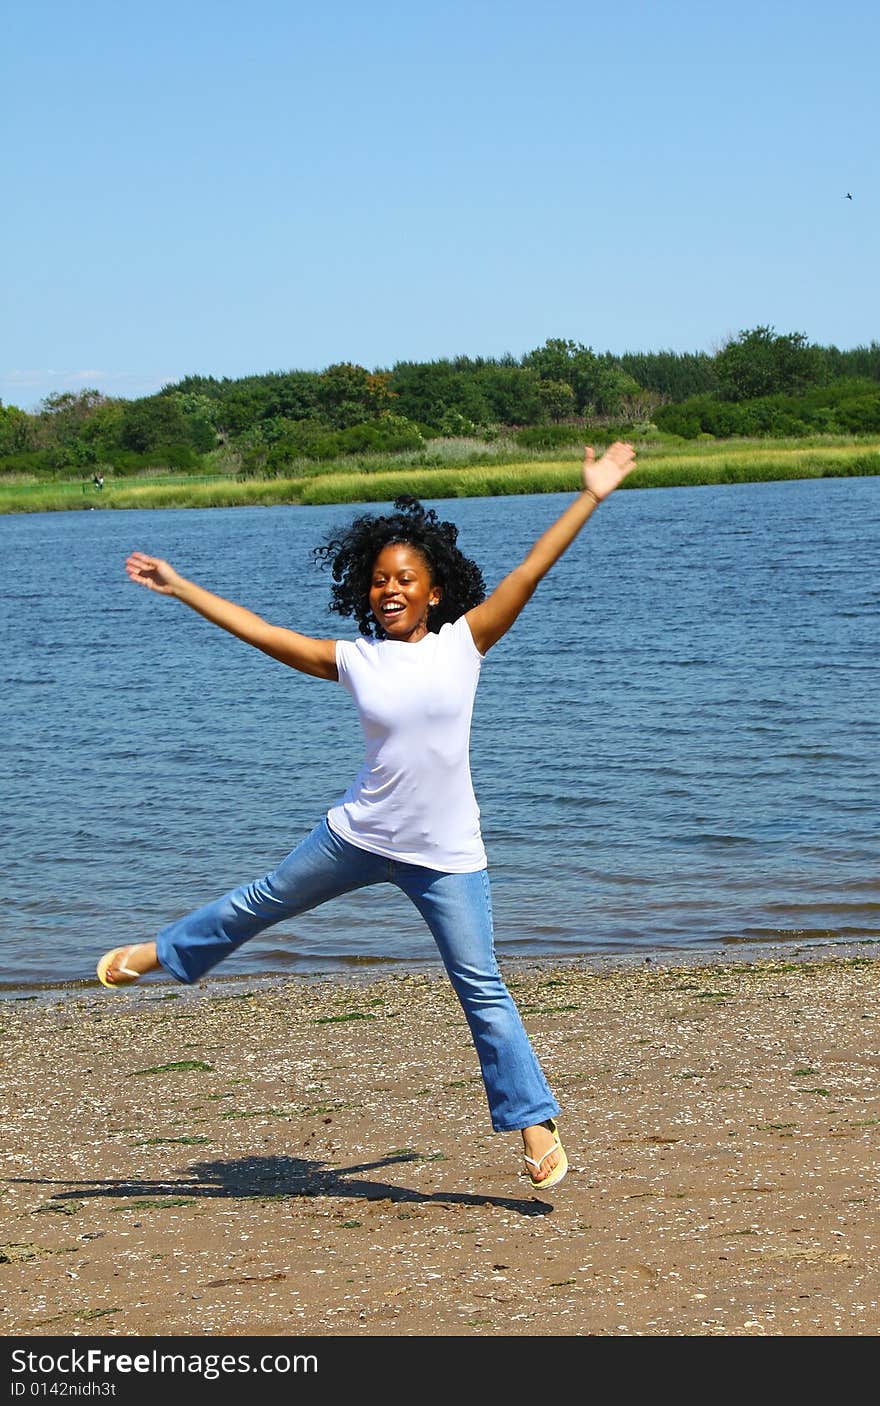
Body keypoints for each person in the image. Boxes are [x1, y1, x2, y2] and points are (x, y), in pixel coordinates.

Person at [97, 440, 637, 1191]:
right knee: (263, 900)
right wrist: (182, 586)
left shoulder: (466, 643)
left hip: (446, 852)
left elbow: (529, 570)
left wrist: (592, 494)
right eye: (380, 579)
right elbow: (263, 634)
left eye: (405, 579)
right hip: (358, 835)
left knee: (479, 983)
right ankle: (169, 953)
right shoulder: (354, 659)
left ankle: (534, 1124)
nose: (390, 589)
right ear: (367, 590)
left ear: (434, 591)